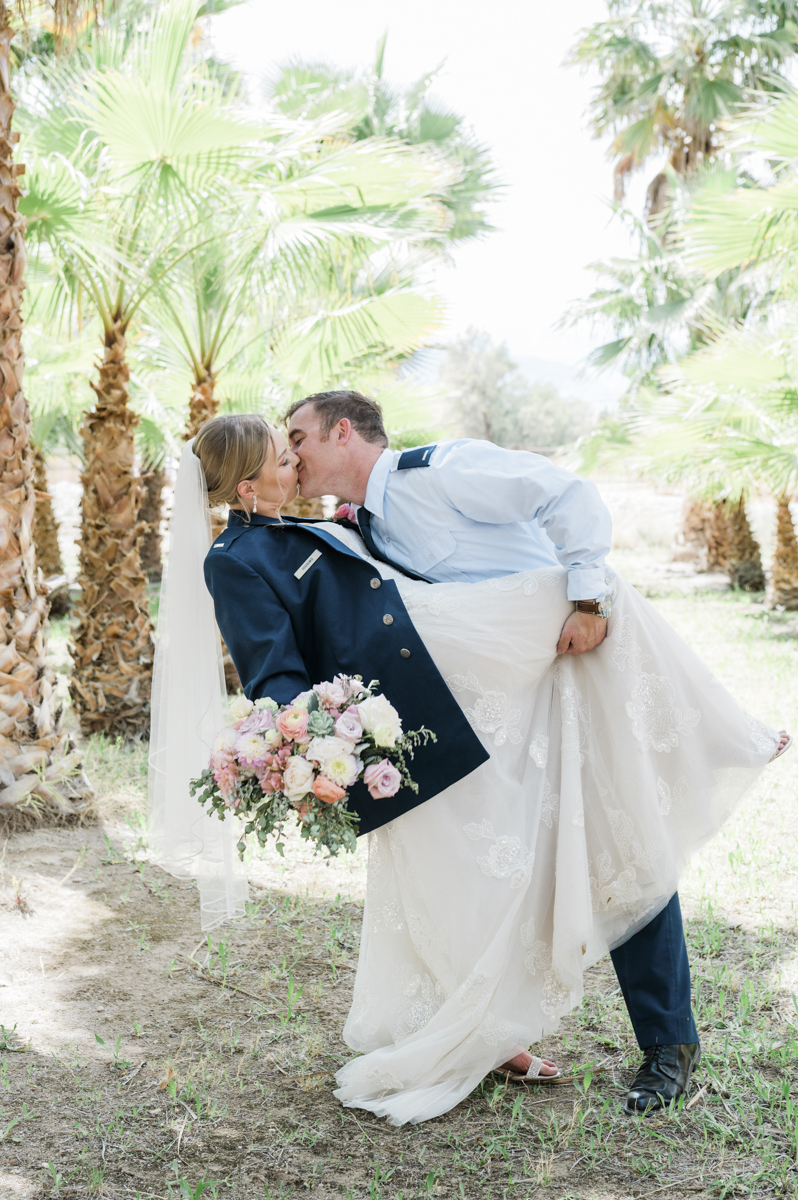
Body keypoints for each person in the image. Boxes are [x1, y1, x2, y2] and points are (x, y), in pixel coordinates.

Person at [149, 404, 788, 1129]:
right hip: (433, 716)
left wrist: (588, 595)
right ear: (245, 485)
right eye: (280, 451)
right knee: (465, 878)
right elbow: (277, 672)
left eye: (296, 442)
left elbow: (561, 502)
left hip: (534, 661)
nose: (293, 459)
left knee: (618, 827)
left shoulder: (429, 477)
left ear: (340, 433)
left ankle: (670, 1028)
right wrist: (320, 744)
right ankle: (489, 1034)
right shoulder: (248, 552)